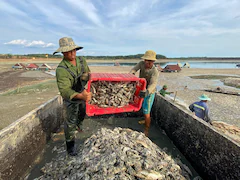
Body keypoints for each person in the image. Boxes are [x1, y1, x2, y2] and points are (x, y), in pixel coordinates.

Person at [54, 37, 92, 156]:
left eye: (74, 50)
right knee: (70, 122)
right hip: (71, 97)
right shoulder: (61, 69)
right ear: (63, 52)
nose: (72, 53)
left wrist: (86, 77)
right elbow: (64, 90)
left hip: (83, 93)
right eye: (69, 51)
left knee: (82, 112)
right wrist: (80, 95)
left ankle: (79, 125)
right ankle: (70, 147)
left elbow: (88, 73)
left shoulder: (81, 60)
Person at [130, 50, 159, 136]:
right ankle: (145, 120)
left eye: (150, 61)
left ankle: (146, 130)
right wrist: (131, 75)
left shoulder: (155, 71)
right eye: (146, 60)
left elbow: (153, 83)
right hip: (141, 88)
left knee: (147, 112)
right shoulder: (141, 64)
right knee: (141, 106)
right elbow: (134, 69)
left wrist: (147, 92)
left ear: (153, 61)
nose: (147, 62)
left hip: (149, 92)